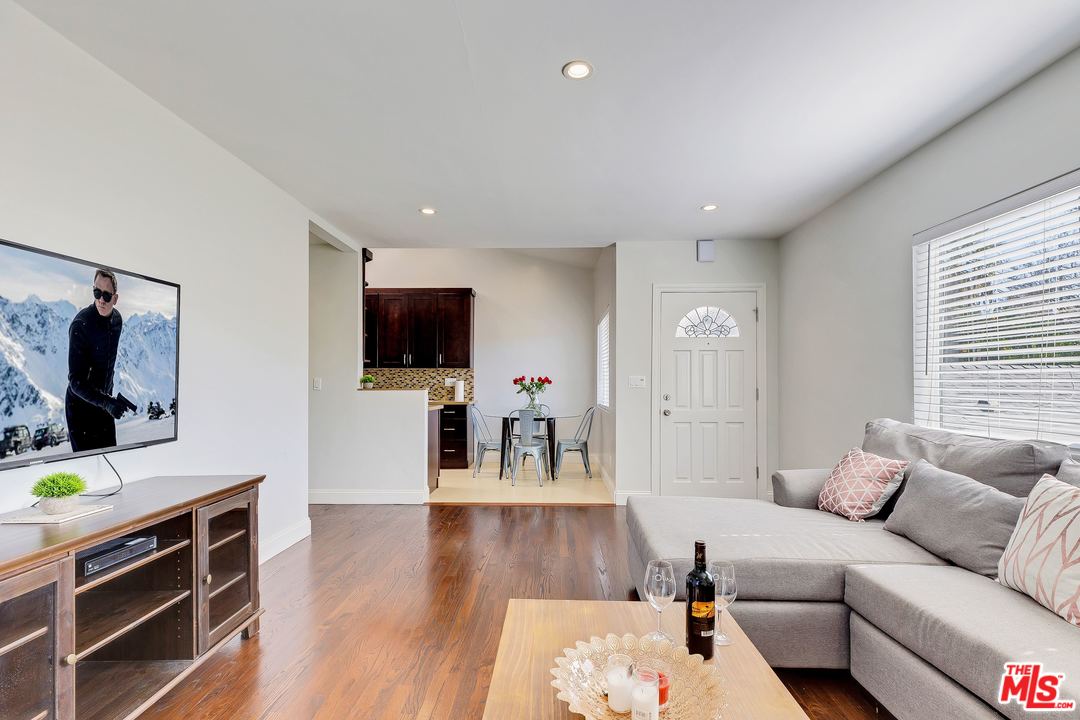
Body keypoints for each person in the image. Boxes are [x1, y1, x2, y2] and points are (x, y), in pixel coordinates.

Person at [66, 268, 130, 452]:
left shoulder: (117, 320)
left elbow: (107, 364)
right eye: (96, 292)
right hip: (80, 408)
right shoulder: (80, 325)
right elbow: (75, 382)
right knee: (88, 472)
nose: (101, 299)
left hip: (104, 405)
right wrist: (107, 402)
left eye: (107, 295)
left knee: (112, 460)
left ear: (115, 298)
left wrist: (109, 400)